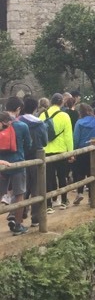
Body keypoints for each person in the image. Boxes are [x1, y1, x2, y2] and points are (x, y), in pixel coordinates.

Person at [1, 98, 32, 235]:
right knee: (19, 194)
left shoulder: (1, 122)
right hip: (18, 162)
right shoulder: (22, 126)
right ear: (19, 108)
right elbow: (28, 145)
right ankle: (18, 225)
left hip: (1, 164)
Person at [39, 93, 74, 212]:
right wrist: (71, 152)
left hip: (46, 151)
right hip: (61, 150)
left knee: (48, 178)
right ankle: (64, 200)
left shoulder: (42, 115)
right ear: (61, 103)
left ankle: (48, 204)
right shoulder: (64, 115)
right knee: (62, 176)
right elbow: (68, 136)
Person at [19, 96, 48, 227]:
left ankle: (19, 214)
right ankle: (35, 217)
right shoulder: (40, 123)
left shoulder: (17, 122)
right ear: (36, 108)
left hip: (21, 157)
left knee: (21, 188)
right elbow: (45, 142)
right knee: (36, 187)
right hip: (37, 157)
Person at [72, 104, 95, 204]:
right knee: (92, 173)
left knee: (80, 173)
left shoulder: (79, 123)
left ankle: (80, 193)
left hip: (82, 150)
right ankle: (91, 197)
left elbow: (76, 138)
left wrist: (74, 150)